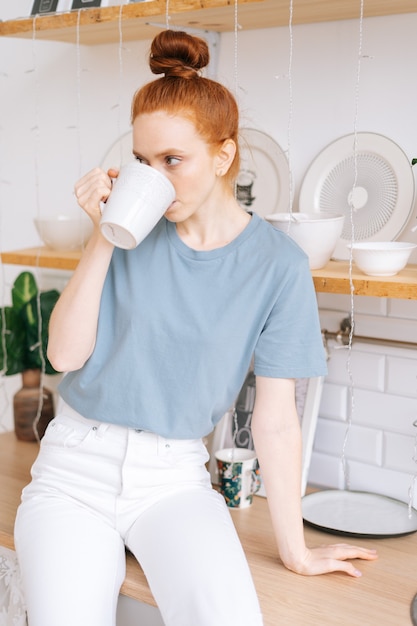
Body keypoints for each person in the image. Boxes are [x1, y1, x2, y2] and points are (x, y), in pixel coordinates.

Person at [14, 29, 377, 626]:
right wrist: (106, 235)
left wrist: (296, 549)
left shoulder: (279, 267)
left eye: (171, 161)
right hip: (73, 470)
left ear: (224, 156)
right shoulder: (126, 234)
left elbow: (278, 421)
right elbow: (63, 355)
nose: (152, 177)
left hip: (174, 478)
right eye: (141, 161)